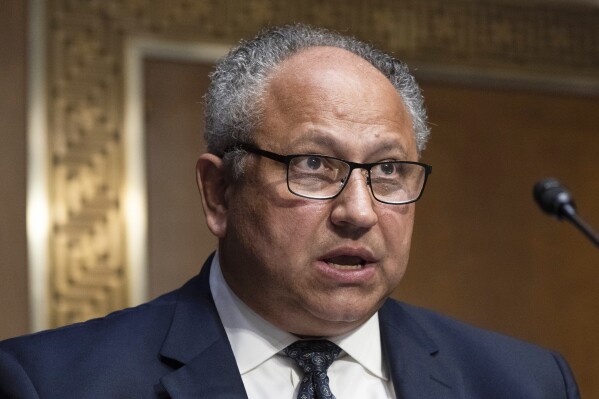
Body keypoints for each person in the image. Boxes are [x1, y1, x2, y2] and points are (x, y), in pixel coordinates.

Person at [0, 24, 580, 399]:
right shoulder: (51, 383)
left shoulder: (525, 383)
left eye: (386, 170)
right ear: (219, 192)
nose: (359, 212)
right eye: (314, 166)